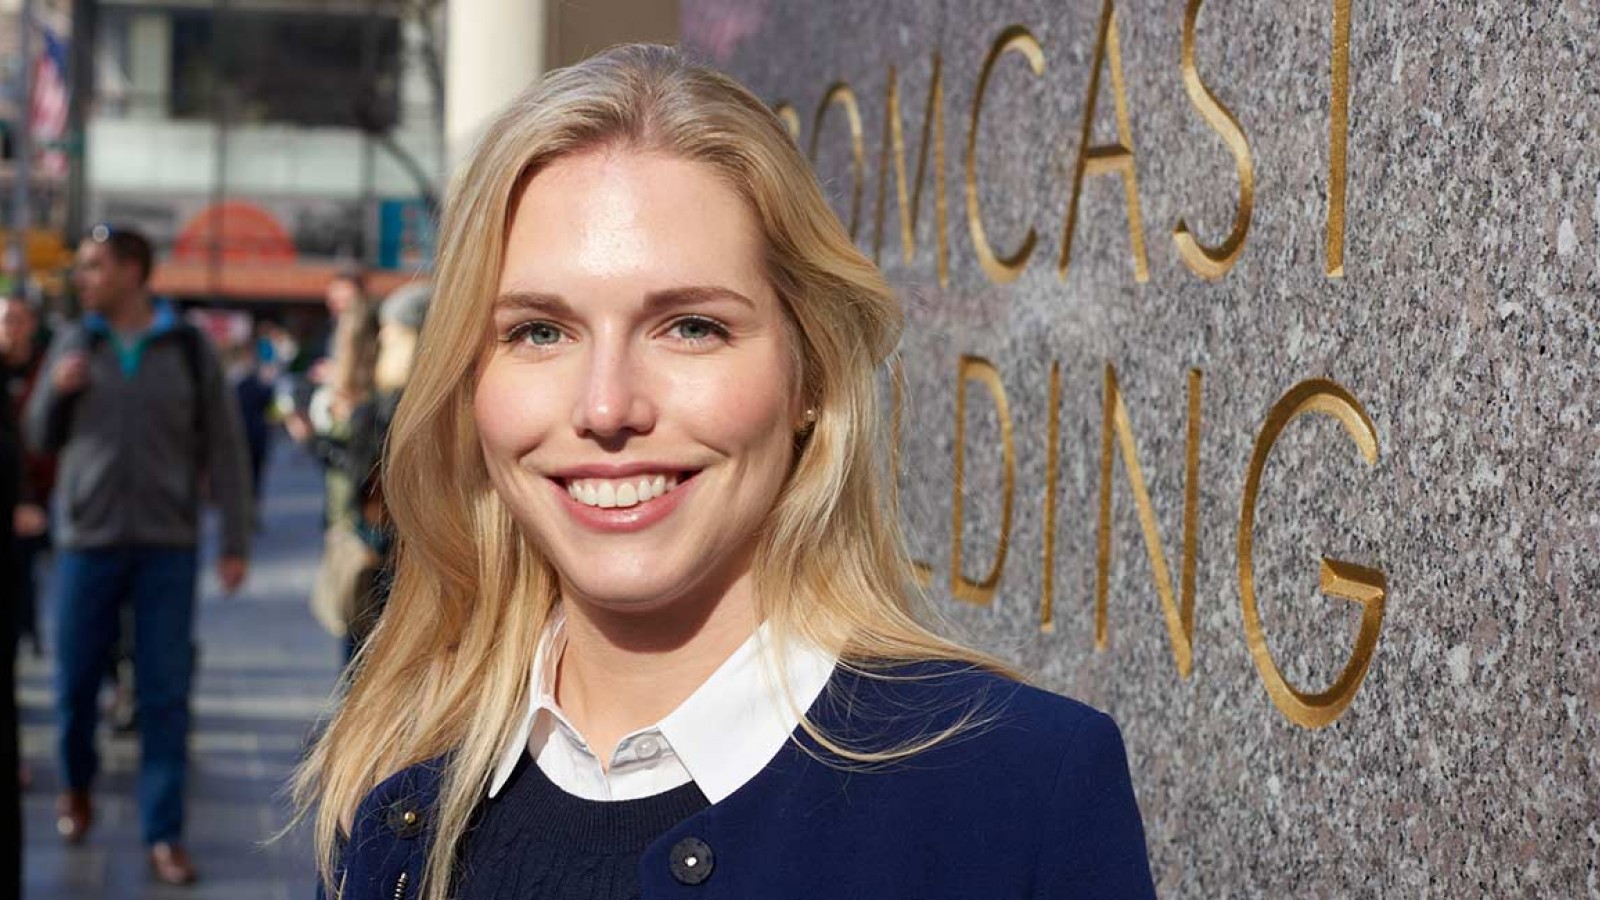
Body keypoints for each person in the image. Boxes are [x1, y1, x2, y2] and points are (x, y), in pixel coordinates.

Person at [297, 45, 1154, 900]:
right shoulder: (399, 797)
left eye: (691, 326)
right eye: (539, 332)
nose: (606, 406)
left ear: (809, 376)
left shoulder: (1018, 791)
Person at [24, 224, 253, 886]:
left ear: (131, 270)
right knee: (73, 685)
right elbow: (38, 433)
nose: (83, 278)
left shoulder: (186, 347)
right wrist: (57, 392)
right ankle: (77, 787)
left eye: (94, 266)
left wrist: (234, 542)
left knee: (163, 692)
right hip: (86, 545)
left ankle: (163, 834)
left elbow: (226, 448)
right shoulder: (76, 339)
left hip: (165, 547)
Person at [0, 295, 52, 659]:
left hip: (35, 509)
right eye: (7, 321)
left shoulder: (43, 371)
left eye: (21, 321)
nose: (14, 331)